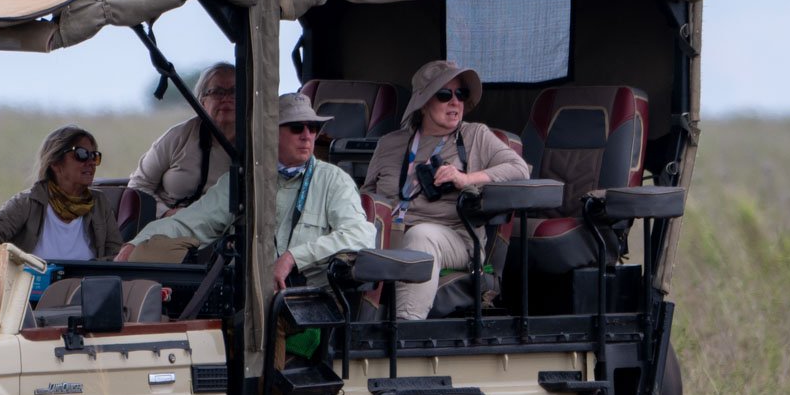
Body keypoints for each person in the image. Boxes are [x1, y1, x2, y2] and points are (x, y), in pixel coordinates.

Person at [115, 93, 374, 288]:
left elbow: (360, 235)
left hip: (306, 302)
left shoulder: (334, 181)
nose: (307, 135)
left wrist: (293, 257)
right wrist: (137, 243)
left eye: (313, 128)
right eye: (297, 128)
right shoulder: (244, 180)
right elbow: (189, 223)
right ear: (271, 133)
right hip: (246, 297)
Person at [362, 58, 531, 319]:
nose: (455, 102)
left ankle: (405, 329)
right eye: (444, 95)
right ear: (423, 103)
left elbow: (519, 170)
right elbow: (368, 196)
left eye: (460, 94)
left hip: (454, 237)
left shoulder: (475, 135)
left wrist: (467, 178)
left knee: (421, 236)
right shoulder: (389, 144)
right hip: (391, 234)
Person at [0, 126, 124, 264]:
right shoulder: (29, 202)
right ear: (55, 163)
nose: (90, 163)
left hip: (84, 293)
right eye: (81, 154)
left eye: (94, 156)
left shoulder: (99, 203)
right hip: (33, 297)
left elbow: (116, 256)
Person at [127, 64, 236, 215]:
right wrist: (166, 214)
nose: (226, 99)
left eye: (234, 91)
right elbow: (137, 185)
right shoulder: (179, 136)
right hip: (171, 227)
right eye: (217, 92)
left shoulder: (256, 144)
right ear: (202, 101)